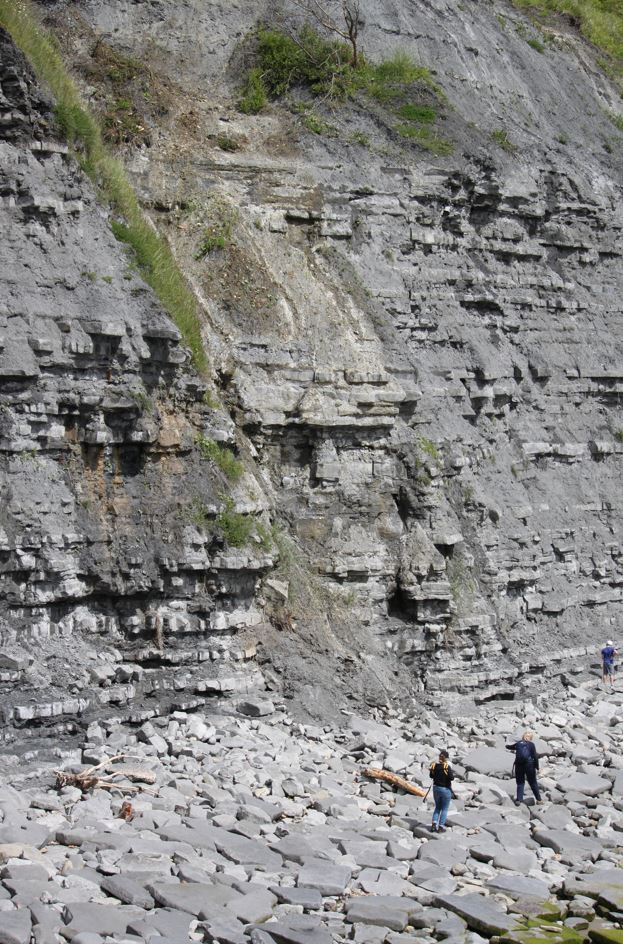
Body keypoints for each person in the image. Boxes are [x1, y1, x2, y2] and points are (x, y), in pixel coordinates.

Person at [507, 730, 541, 804]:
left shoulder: (518, 743)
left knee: (520, 783)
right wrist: (537, 767)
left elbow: (509, 747)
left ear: (523, 736)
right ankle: (539, 800)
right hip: (529, 765)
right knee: (533, 783)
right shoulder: (531, 745)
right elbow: (535, 756)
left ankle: (519, 800)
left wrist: (506, 745)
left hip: (519, 765)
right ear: (531, 738)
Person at [429, 749, 454, 832]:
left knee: (437, 807)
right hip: (445, 789)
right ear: (446, 758)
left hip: (435, 788)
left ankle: (433, 825)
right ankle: (441, 827)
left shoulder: (434, 765)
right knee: (444, 809)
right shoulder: (447, 766)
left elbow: (431, 776)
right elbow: (451, 778)